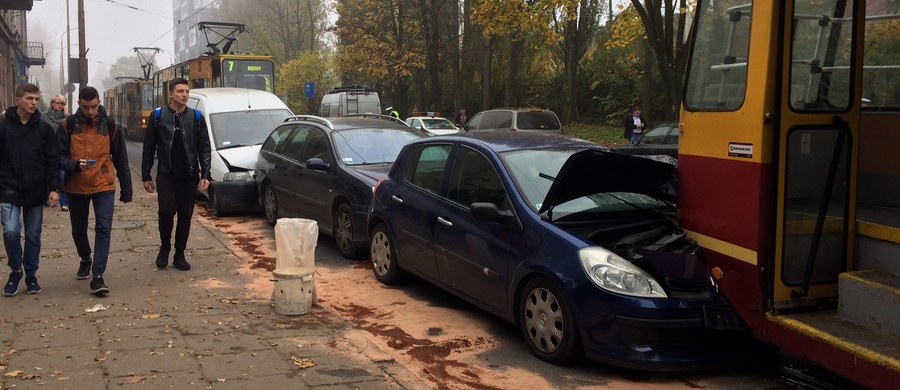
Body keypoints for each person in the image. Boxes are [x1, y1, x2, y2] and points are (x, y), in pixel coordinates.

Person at [58, 86, 133, 295]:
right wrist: (74, 166)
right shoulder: (67, 125)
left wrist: (126, 188)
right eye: (85, 107)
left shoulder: (110, 126)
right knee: (78, 230)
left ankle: (98, 275)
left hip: (103, 184)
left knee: (103, 227)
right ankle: (85, 257)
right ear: (79, 105)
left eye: (94, 106)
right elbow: (58, 157)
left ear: (99, 102)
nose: (90, 111)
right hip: (76, 185)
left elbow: (120, 158)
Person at [141, 77, 211, 272]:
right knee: (166, 211)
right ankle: (165, 247)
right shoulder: (158, 117)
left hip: (189, 176)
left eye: (187, 91)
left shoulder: (196, 118)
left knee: (185, 216)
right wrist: (145, 175)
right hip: (166, 174)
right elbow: (149, 147)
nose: (184, 95)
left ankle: (180, 254)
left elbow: (204, 147)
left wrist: (205, 173)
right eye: (180, 91)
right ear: (170, 94)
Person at [0, 83, 60, 296]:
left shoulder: (43, 128)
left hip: (36, 189)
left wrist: (54, 188)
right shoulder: (4, 125)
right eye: (29, 98)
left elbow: (52, 160)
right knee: (11, 231)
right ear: (18, 100)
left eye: (36, 98)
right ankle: (16, 269)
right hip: (8, 188)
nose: (34, 102)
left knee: (33, 235)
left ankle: (31, 274)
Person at [44, 95, 69, 211]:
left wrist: (66, 115)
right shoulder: (43, 116)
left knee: (63, 176)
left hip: (61, 151)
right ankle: (48, 198)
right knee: (48, 176)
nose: (59, 105)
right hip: (47, 151)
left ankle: (64, 202)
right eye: (57, 102)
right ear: (52, 103)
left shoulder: (66, 119)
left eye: (62, 103)